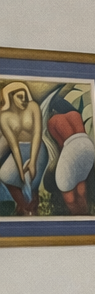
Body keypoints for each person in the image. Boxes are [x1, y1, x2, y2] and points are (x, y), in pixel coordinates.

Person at [0, 81, 45, 215]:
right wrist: (19, 170)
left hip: (37, 149)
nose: (24, 99)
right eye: (20, 96)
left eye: (25, 95)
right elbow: (13, 145)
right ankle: (25, 206)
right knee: (5, 175)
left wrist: (32, 162)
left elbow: (37, 134)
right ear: (11, 97)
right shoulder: (5, 117)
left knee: (31, 178)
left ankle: (34, 208)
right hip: (19, 149)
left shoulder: (33, 106)